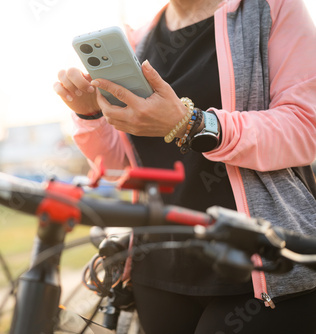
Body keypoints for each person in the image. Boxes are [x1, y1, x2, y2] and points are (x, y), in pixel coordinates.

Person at [54, 0, 316, 333]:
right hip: (159, 267)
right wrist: (89, 115)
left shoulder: (271, 9)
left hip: (258, 263)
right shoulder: (140, 40)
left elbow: (305, 128)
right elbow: (124, 166)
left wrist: (192, 124)